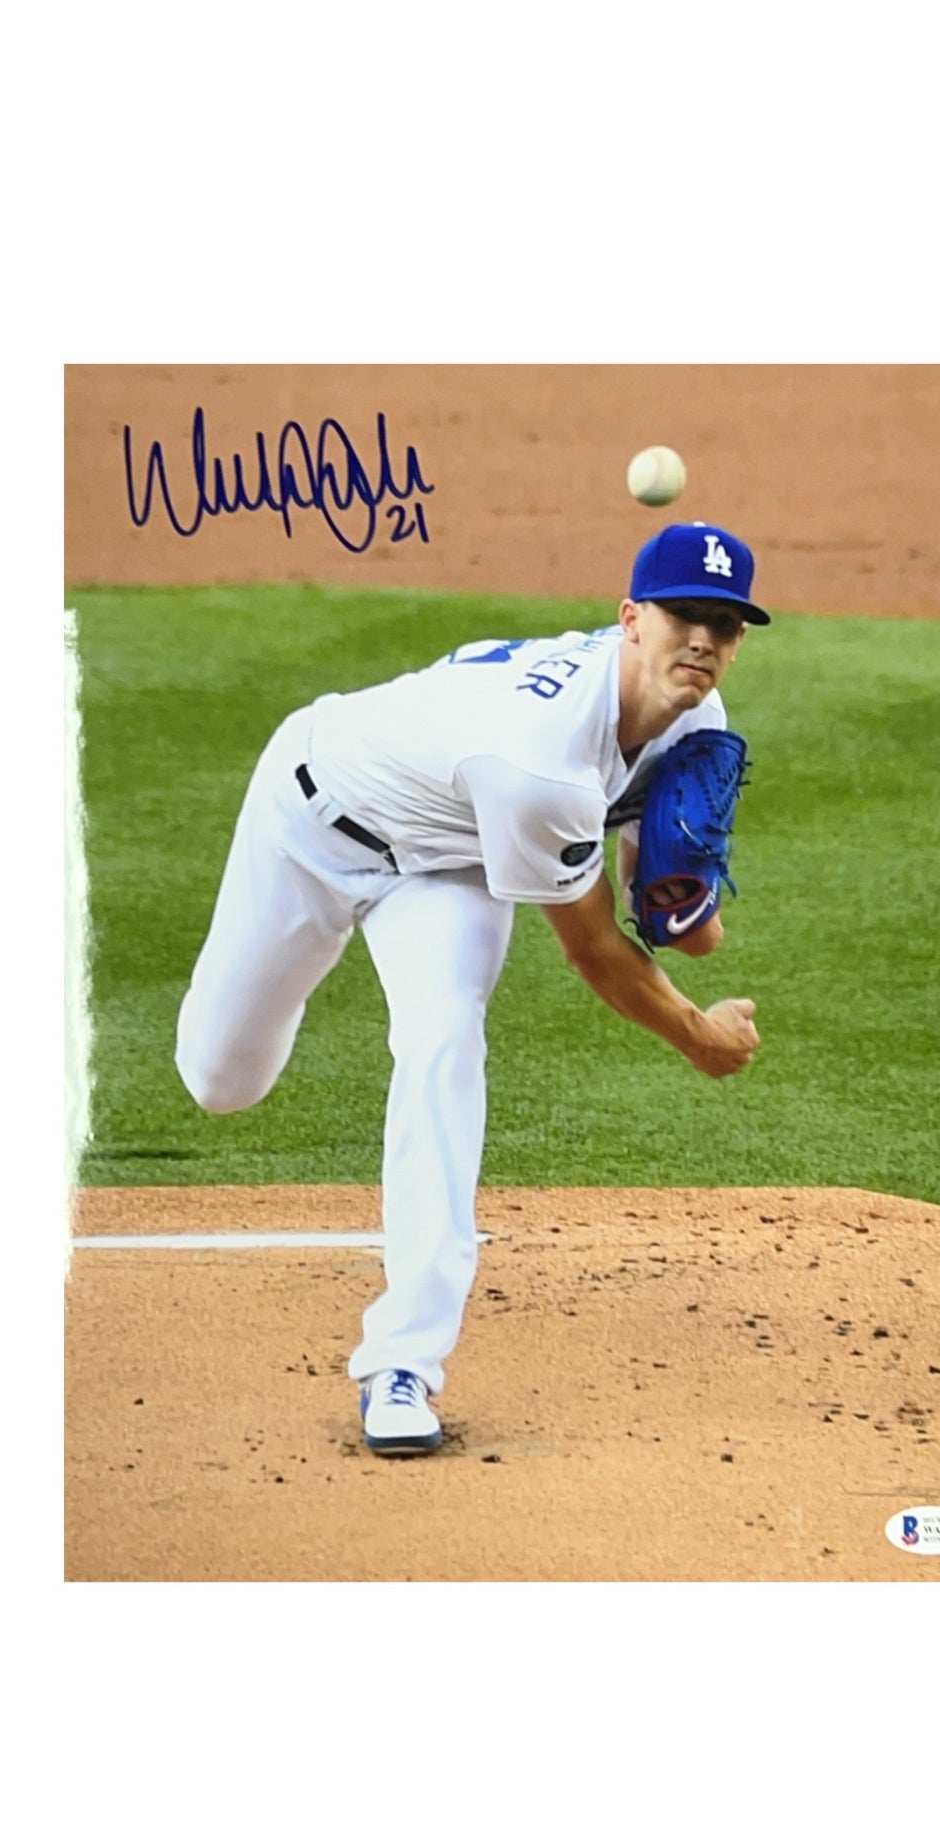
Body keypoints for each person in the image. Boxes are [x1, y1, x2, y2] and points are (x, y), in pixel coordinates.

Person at [174, 521, 769, 1455]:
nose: (702, 640)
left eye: (725, 624)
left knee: (445, 1039)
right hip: (312, 820)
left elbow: (674, 922)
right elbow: (593, 951)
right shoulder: (541, 762)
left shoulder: (698, 723)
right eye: (683, 615)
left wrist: (685, 907)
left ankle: (401, 1365)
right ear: (630, 619)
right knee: (220, 1080)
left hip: (449, 865)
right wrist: (699, 1035)